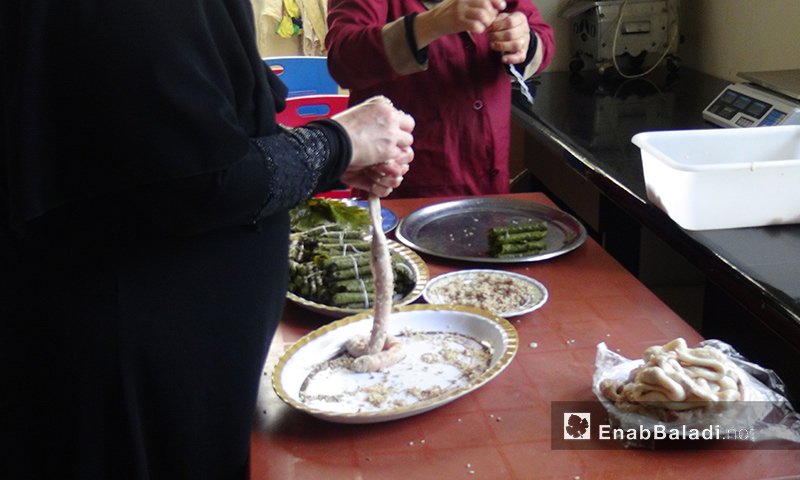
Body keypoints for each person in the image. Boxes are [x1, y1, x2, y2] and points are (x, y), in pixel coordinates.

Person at [0, 1, 413, 479]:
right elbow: (198, 180)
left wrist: (324, 155)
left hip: (176, 370)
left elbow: (166, 135)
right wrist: (334, 143)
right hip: (129, 380)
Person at [326, 0, 555, 199]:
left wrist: (524, 41)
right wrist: (433, 23)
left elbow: (542, 37)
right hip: (400, 195)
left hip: (490, 190)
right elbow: (343, 60)